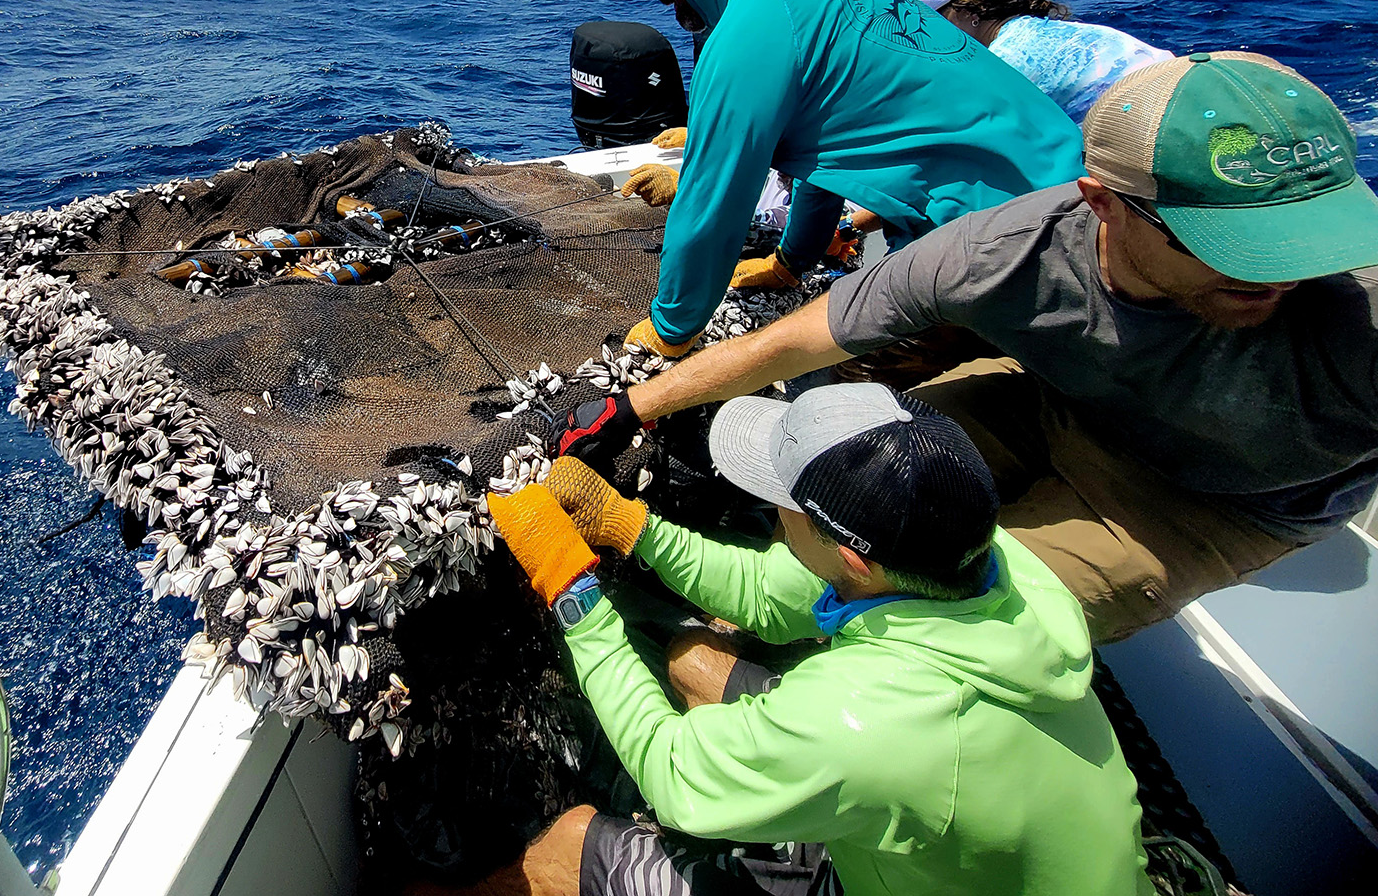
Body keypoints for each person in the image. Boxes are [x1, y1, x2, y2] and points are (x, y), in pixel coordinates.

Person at [559, 51, 1378, 643]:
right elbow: (810, 333)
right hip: (1056, 403)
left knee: (933, 629)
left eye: (1300, 236)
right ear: (1103, 203)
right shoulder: (1005, 247)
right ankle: (761, 610)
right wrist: (631, 405)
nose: (1280, 272)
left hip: (1209, 504)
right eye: (1223, 240)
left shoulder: (1357, 308)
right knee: (838, 487)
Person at [478, 384, 1151, 896]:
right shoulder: (977, 556)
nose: (773, 510)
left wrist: (573, 592)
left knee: (572, 845)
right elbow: (771, 594)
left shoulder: (869, 721)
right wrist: (631, 525)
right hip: (948, 835)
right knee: (692, 663)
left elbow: (673, 770)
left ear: (852, 558)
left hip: (889, 795)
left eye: (784, 500)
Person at [605, 0, 1085, 355]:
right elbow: (825, 155)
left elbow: (713, 197)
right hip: (1081, 200)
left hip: (1013, 239)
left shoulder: (747, 30)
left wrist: (671, 329)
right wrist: (790, 263)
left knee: (858, 380)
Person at [915, 0, 1174, 121]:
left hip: (1149, 128)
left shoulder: (1003, 64)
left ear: (971, 12)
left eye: (937, 13)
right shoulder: (1051, 32)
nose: (929, 25)